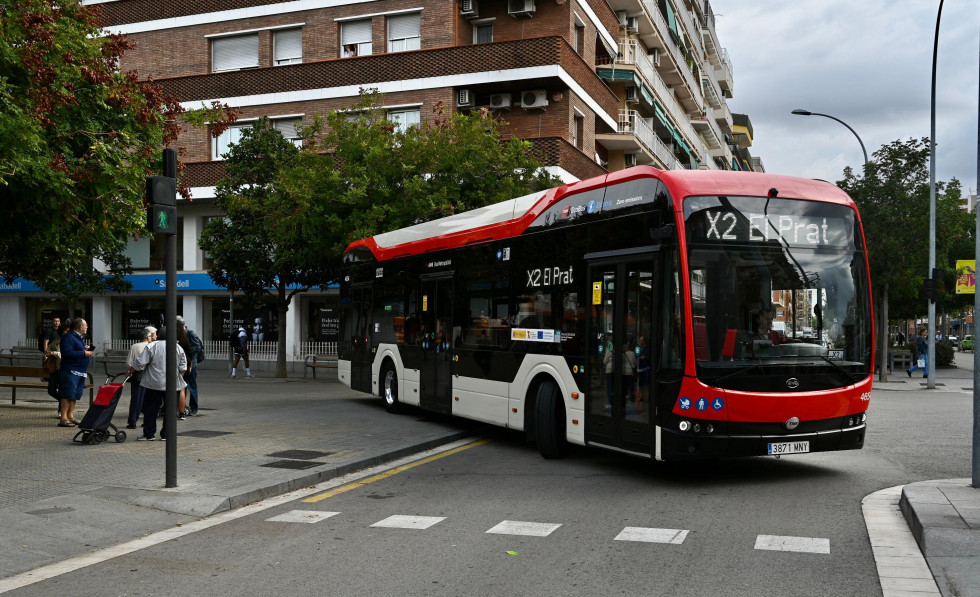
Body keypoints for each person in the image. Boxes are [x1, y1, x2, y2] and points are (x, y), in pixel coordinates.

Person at [128, 331, 188, 441]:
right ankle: (166, 434)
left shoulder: (152, 346)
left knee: (150, 410)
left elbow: (140, 363)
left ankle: (149, 434)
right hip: (172, 385)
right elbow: (183, 367)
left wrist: (131, 370)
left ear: (159, 335)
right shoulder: (178, 347)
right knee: (170, 410)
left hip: (154, 384)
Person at [58, 318, 94, 428]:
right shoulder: (68, 337)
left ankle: (71, 415)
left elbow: (75, 349)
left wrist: (84, 348)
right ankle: (63, 418)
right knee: (67, 393)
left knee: (74, 395)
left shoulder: (78, 337)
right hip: (70, 370)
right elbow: (66, 353)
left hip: (80, 371)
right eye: (86, 325)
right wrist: (83, 353)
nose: (87, 327)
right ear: (79, 327)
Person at [125, 326, 156, 429]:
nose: (152, 337)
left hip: (137, 375)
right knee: (148, 400)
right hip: (150, 376)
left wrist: (130, 370)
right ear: (147, 337)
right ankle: (147, 421)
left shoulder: (134, 346)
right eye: (151, 336)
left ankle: (132, 421)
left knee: (135, 399)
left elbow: (129, 363)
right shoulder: (152, 346)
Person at [177, 315, 204, 416]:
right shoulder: (179, 334)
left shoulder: (190, 334)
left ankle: (194, 408)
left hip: (192, 364)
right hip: (183, 363)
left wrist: (186, 353)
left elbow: (198, 347)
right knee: (182, 386)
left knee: (191, 385)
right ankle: (182, 407)